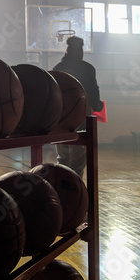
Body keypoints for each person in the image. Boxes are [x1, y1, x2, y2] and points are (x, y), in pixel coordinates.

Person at [52, 36, 104, 178]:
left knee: (62, 157)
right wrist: (97, 105)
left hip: (60, 117)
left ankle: (60, 186)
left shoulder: (58, 68)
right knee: (78, 159)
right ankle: (74, 189)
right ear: (81, 50)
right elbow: (93, 91)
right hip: (79, 115)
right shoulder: (87, 68)